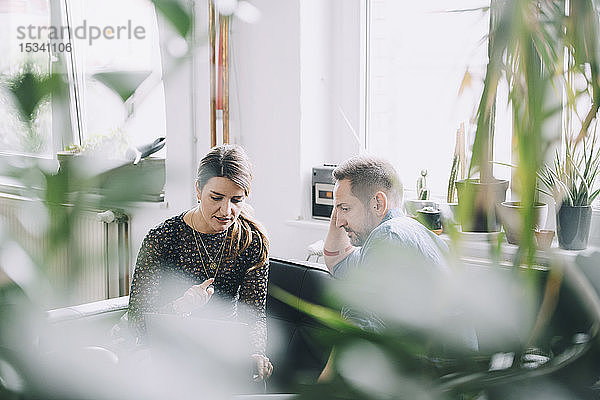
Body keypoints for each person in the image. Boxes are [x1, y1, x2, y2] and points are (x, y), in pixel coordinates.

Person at [127, 144, 273, 381]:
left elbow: (254, 315)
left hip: (222, 353)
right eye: (216, 197)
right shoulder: (162, 238)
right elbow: (137, 320)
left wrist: (256, 352)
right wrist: (182, 306)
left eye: (237, 200)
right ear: (198, 190)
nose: (226, 210)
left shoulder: (251, 241)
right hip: (165, 350)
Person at [318, 155, 451, 380]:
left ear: (378, 203)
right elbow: (338, 263)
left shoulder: (387, 237)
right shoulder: (411, 233)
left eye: (345, 209)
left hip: (428, 382)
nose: (339, 221)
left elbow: (357, 327)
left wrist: (321, 391)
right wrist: (340, 205)